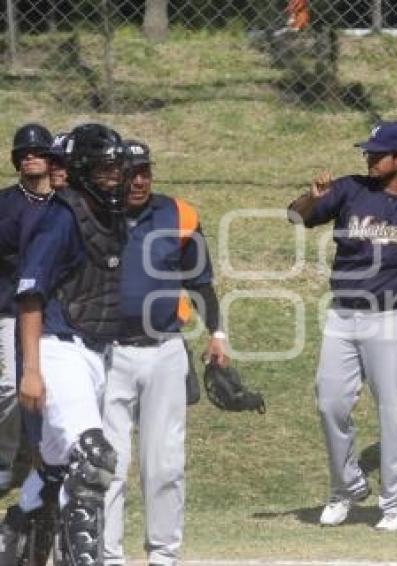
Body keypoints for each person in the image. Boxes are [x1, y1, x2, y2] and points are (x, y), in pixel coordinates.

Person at [288, 121, 397, 531]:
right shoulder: (350, 188)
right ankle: (346, 486)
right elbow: (295, 216)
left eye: (377, 154)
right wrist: (312, 198)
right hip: (343, 314)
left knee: (393, 411)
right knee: (330, 403)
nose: (369, 158)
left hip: (394, 315)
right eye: (367, 152)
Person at [102, 139, 226, 566]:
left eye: (145, 172)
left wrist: (218, 333)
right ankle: (107, 554)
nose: (138, 180)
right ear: (112, 173)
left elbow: (201, 281)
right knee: (107, 463)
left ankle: (164, 554)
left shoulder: (180, 214)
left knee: (165, 462)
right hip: (107, 352)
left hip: (165, 349)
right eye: (129, 172)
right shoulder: (94, 214)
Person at [15, 123, 131, 564]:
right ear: (82, 171)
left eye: (117, 169)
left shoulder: (107, 215)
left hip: (96, 353)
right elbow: (30, 294)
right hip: (57, 347)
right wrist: (31, 368)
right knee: (93, 456)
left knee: (57, 470)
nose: (115, 178)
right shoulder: (61, 217)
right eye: (104, 170)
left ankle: (14, 540)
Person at [0, 123, 55, 495]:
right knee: (7, 388)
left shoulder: (63, 202)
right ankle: (7, 460)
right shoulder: (4, 203)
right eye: (25, 152)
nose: (32, 157)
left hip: (56, 310)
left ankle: (48, 456)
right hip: (8, 308)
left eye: (38, 151)